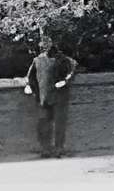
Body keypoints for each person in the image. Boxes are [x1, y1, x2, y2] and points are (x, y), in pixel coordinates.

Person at [25, 29, 78, 157]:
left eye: (48, 43)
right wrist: (28, 85)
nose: (46, 47)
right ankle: (46, 149)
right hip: (43, 96)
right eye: (43, 44)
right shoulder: (37, 60)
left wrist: (65, 81)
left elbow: (73, 67)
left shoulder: (62, 59)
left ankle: (59, 148)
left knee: (59, 123)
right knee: (44, 123)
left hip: (59, 96)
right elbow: (30, 75)